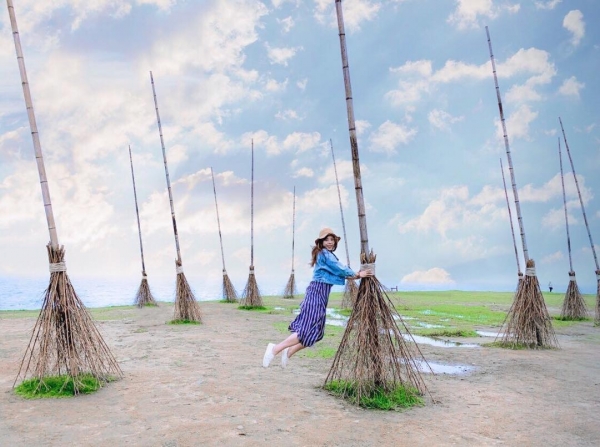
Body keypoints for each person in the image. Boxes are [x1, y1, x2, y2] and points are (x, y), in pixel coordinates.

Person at [262, 227, 373, 368]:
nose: (330, 242)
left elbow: (338, 272)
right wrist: (357, 274)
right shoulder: (324, 254)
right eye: (327, 240)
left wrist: (355, 275)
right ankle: (275, 348)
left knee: (318, 333)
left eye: (332, 240)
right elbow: (339, 268)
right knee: (306, 330)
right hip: (316, 293)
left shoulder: (328, 255)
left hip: (321, 296)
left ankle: (288, 352)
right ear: (321, 242)